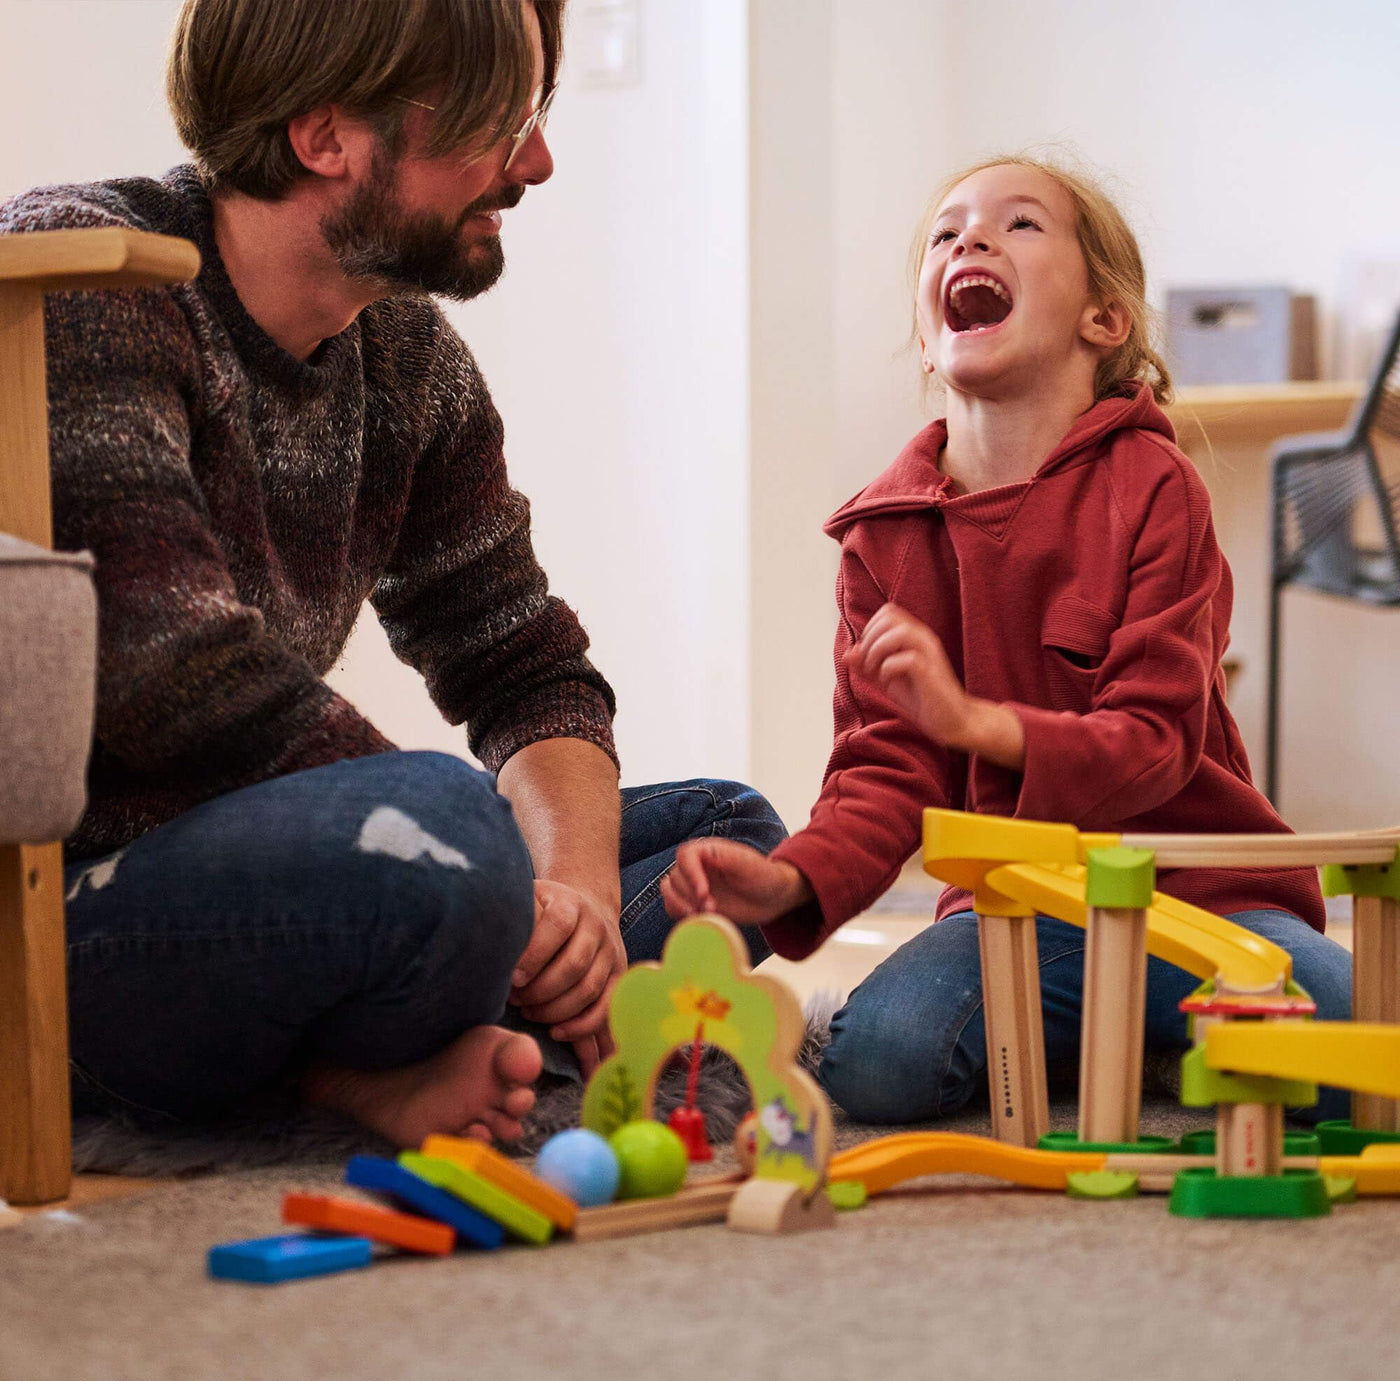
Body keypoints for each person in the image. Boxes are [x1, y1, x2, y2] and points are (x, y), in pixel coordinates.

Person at [0, 0, 784, 1149]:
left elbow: (525, 668)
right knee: (443, 829)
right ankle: (347, 1077)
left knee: (730, 840)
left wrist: (568, 897)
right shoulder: (89, 278)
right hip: (75, 911)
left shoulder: (406, 355)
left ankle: (480, 1015)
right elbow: (174, 676)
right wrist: (490, 873)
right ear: (325, 137)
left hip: (311, 876)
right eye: (497, 122)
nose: (536, 163)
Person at [662, 155, 1351, 1125]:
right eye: (946, 233)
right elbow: (881, 771)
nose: (969, 241)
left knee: (1358, 1049)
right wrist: (789, 876)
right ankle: (1128, 1042)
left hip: (1205, 901)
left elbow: (1153, 742)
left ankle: (1141, 1032)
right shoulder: (881, 534)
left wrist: (978, 723)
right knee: (877, 1066)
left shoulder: (1155, 486)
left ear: (1101, 320)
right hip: (1017, 914)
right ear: (926, 329)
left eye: (1018, 225)